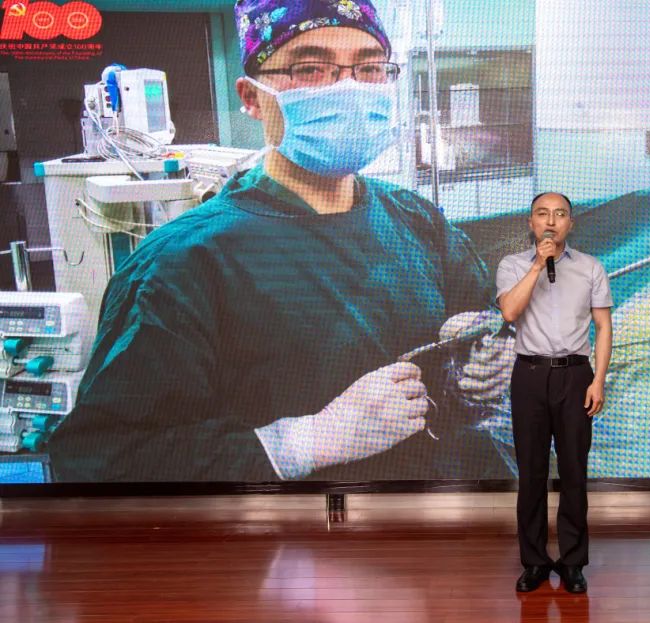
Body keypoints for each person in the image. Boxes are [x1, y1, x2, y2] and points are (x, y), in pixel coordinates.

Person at [47, 0, 511, 482]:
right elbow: (98, 460)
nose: (348, 89)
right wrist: (302, 442)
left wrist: (484, 359)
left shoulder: (418, 222)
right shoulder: (181, 264)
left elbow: (484, 320)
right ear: (251, 97)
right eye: (310, 69)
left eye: (370, 67)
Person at [496, 192, 613, 594]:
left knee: (574, 472)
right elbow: (509, 312)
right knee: (531, 473)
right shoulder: (512, 265)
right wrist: (536, 266)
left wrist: (598, 380)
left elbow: (603, 327)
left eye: (560, 214)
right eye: (542, 214)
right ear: (531, 223)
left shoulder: (590, 267)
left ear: (570, 224)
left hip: (576, 375)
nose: (551, 221)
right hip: (529, 375)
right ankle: (534, 562)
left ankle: (573, 562)